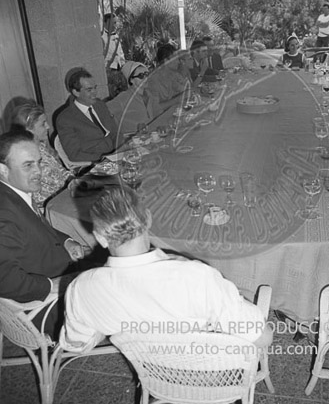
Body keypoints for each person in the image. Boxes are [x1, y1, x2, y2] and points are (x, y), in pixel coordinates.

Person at [59, 186, 268, 353]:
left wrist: (114, 321)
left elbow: (76, 344)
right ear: (148, 219)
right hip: (214, 372)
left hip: (152, 376)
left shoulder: (82, 288)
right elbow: (264, 338)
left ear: (100, 238)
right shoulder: (198, 277)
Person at [0, 131, 84, 336]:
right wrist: (52, 285)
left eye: (38, 162)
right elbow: (5, 280)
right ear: (3, 170)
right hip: (47, 309)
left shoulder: (14, 192)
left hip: (60, 271)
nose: (39, 171)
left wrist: (66, 241)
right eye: (28, 165)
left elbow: (36, 227)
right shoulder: (4, 215)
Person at [4, 102, 73, 209]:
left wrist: (73, 179)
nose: (48, 126)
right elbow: (39, 195)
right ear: (28, 129)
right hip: (50, 205)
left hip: (65, 195)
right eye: (43, 124)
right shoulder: (24, 157)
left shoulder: (41, 146)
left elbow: (61, 171)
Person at [56, 69, 121, 162]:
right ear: (76, 92)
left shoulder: (100, 105)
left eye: (95, 88)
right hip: (95, 162)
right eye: (89, 90)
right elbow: (74, 154)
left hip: (117, 154)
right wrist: (104, 158)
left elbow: (115, 132)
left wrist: (124, 148)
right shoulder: (65, 119)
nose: (95, 92)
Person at [107, 61, 158, 134]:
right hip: (133, 139)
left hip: (151, 136)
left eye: (147, 74)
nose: (145, 78)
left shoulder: (150, 95)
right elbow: (103, 111)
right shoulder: (125, 97)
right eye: (141, 76)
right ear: (131, 80)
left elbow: (158, 114)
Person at [145, 43, 191, 117]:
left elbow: (186, 90)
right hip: (158, 120)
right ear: (166, 61)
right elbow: (154, 109)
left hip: (172, 115)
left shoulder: (172, 75)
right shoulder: (153, 80)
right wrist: (177, 99)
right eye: (175, 59)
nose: (179, 62)